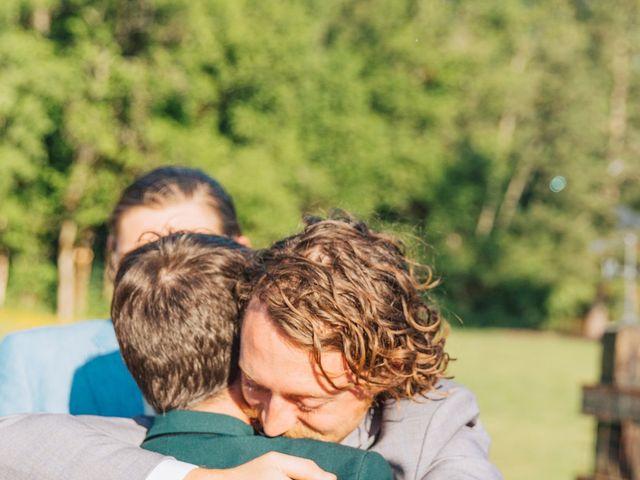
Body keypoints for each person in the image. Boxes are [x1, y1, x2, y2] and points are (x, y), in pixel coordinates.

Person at [0, 215, 502, 480]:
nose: (274, 422)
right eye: (256, 384)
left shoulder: (435, 423)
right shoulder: (176, 421)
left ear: (384, 370)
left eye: (308, 401)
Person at [111, 232, 391, 480]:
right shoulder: (345, 470)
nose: (272, 425)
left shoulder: (112, 459)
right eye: (254, 384)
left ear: (129, 360)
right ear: (242, 338)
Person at [0, 166, 249, 417]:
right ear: (112, 255)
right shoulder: (32, 360)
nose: (167, 271)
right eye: (140, 258)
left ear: (242, 254)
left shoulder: (268, 370)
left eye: (197, 255)